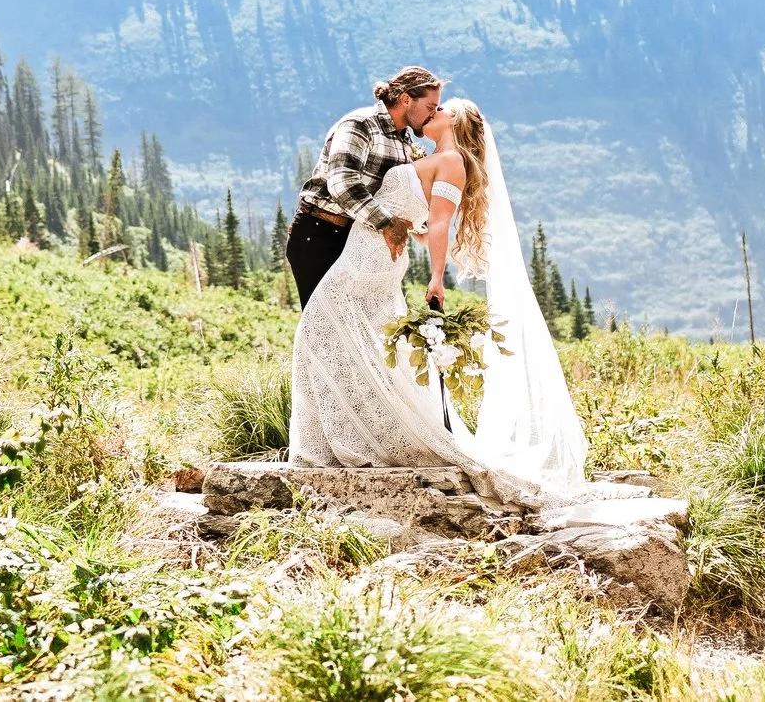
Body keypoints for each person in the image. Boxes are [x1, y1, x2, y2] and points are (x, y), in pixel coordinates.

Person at [287, 95, 681, 524]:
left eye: (441, 110)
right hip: (370, 251)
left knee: (320, 330)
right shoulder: (430, 155)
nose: (432, 113)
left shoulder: (452, 161)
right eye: (432, 107)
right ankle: (353, 432)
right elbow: (421, 222)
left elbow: (439, 223)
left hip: (372, 258)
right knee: (343, 338)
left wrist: (436, 278)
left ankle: (357, 435)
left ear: (455, 123)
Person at [285, 66, 440, 309]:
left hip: (357, 241)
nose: (433, 114)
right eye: (431, 107)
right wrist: (388, 223)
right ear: (406, 99)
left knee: (358, 334)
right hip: (320, 234)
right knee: (326, 327)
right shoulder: (360, 124)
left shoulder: (405, 141)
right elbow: (342, 183)